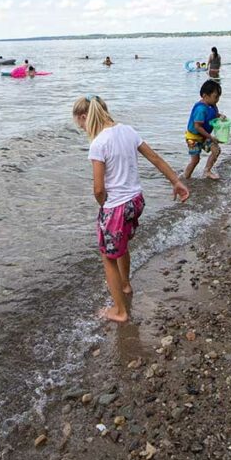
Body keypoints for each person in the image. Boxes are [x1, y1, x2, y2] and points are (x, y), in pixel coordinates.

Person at [72, 95, 189, 323]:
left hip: (116, 207)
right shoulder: (127, 130)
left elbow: (98, 189)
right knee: (122, 246)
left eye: (81, 124)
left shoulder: (98, 144)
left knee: (107, 257)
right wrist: (176, 181)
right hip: (136, 202)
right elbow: (154, 157)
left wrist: (103, 205)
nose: (83, 128)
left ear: (85, 117)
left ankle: (120, 311)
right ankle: (125, 284)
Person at [183, 79, 225, 180]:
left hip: (204, 136)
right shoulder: (201, 109)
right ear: (205, 96)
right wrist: (210, 137)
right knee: (195, 160)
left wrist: (220, 116)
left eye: (219, 96)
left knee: (216, 150)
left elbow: (213, 115)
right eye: (215, 97)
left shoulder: (212, 105)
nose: (217, 99)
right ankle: (184, 179)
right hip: (193, 138)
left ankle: (207, 171)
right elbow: (197, 126)